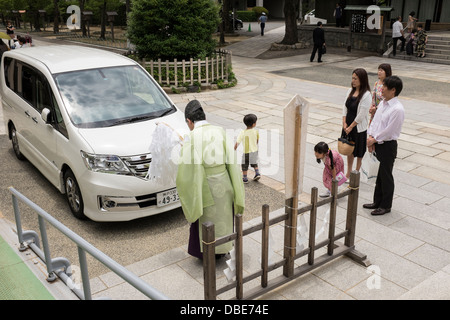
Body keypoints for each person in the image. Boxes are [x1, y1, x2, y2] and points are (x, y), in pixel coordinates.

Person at [176, 100, 245, 259]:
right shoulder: (219, 130)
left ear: (189, 121)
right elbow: (231, 159)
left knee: (205, 220)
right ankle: (223, 249)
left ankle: (206, 254)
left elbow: (186, 168)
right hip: (224, 181)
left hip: (205, 183)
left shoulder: (192, 136)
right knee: (224, 217)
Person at [365, 76, 405, 216]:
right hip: (377, 142)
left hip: (387, 145)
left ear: (393, 90)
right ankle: (377, 201)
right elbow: (375, 122)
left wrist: (374, 140)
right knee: (379, 175)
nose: (381, 89)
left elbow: (389, 131)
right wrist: (370, 137)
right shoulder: (383, 103)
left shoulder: (397, 109)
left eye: (385, 86)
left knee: (386, 175)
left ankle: (386, 205)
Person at [342, 68, 371, 179]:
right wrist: (344, 123)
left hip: (358, 127)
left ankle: (356, 173)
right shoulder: (350, 91)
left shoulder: (366, 95)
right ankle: (348, 172)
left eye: (356, 79)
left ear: (362, 80)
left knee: (359, 151)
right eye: (352, 78)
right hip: (348, 124)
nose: (353, 81)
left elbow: (362, 114)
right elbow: (344, 107)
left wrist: (351, 126)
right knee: (349, 150)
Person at [234, 114, 260, 183]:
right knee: (254, 162)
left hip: (246, 152)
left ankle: (245, 178)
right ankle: (257, 173)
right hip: (254, 151)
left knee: (244, 164)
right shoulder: (256, 131)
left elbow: (238, 142)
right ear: (254, 124)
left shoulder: (242, 132)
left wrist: (234, 149)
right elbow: (257, 141)